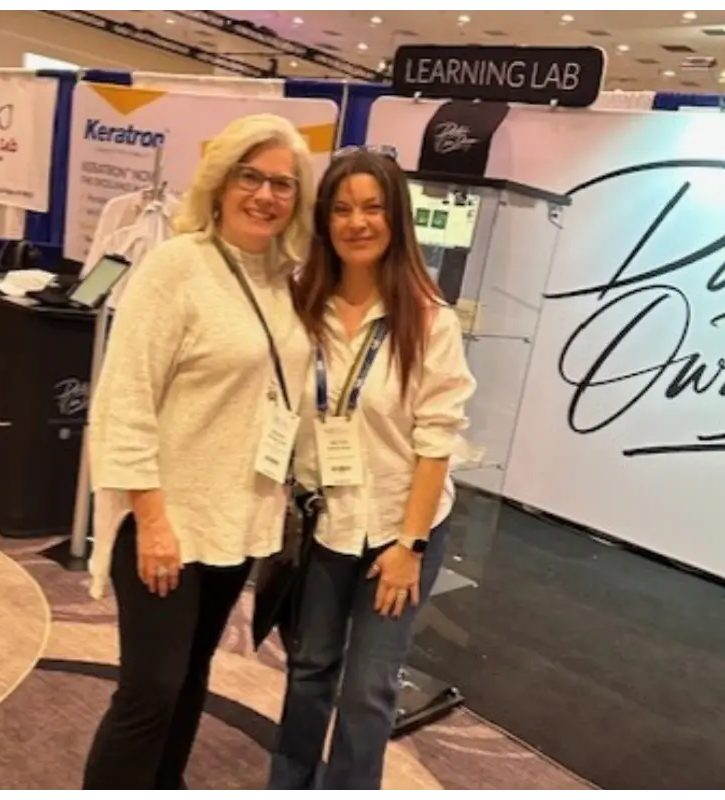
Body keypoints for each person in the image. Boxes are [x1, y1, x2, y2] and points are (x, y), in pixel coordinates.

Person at [83, 113, 317, 792]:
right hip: (167, 520)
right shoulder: (175, 266)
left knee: (190, 678)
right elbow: (122, 404)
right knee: (149, 689)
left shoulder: (285, 279)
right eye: (252, 176)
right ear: (220, 181)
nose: (266, 195)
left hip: (237, 519)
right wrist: (151, 518)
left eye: (282, 183)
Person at [268, 147, 477, 792]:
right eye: (342, 209)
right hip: (323, 521)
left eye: (372, 207)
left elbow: (437, 439)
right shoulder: (301, 305)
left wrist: (410, 546)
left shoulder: (428, 319)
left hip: (399, 527)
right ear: (325, 220)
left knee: (368, 687)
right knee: (309, 669)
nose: (357, 222)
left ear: (397, 219)